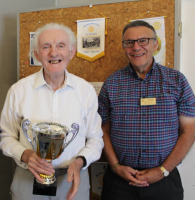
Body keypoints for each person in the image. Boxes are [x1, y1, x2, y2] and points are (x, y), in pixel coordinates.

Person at [0, 23, 104, 200]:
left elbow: (95, 138)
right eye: (46, 46)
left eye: (60, 46)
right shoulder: (18, 91)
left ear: (71, 52)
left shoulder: (85, 91)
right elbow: (5, 137)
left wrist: (80, 162)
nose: (54, 53)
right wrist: (25, 155)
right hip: (27, 180)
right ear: (37, 54)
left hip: (72, 181)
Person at [98, 20, 195, 200]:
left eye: (143, 40)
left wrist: (162, 170)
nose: (136, 47)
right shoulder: (111, 84)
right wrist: (116, 166)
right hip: (119, 181)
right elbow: (103, 129)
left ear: (155, 44)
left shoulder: (177, 81)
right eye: (129, 42)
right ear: (124, 47)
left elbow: (189, 130)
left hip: (164, 180)